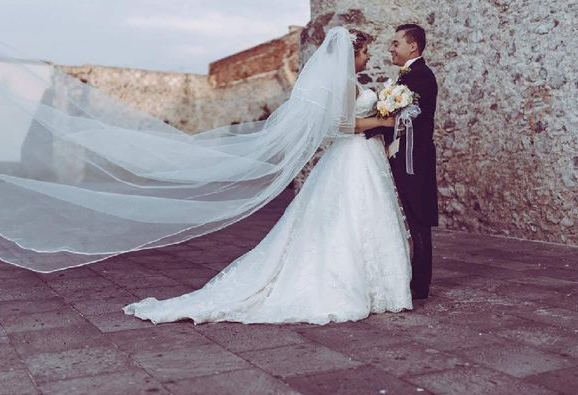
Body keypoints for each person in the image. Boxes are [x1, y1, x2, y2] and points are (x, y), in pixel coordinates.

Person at [124, 27, 413, 324]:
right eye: (364, 52)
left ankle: (374, 285)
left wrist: (380, 120)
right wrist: (384, 122)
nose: (368, 56)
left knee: (359, 214)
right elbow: (341, 125)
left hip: (363, 155)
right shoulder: (345, 85)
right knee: (348, 215)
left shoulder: (350, 83)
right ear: (350, 56)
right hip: (352, 155)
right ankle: (350, 283)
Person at [366, 24, 438, 300]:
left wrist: (367, 128)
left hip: (414, 161)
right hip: (403, 157)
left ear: (413, 46)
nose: (391, 48)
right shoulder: (407, 77)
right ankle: (411, 277)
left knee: (418, 218)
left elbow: (402, 121)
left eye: (395, 43)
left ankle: (420, 285)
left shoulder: (420, 77)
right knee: (407, 218)